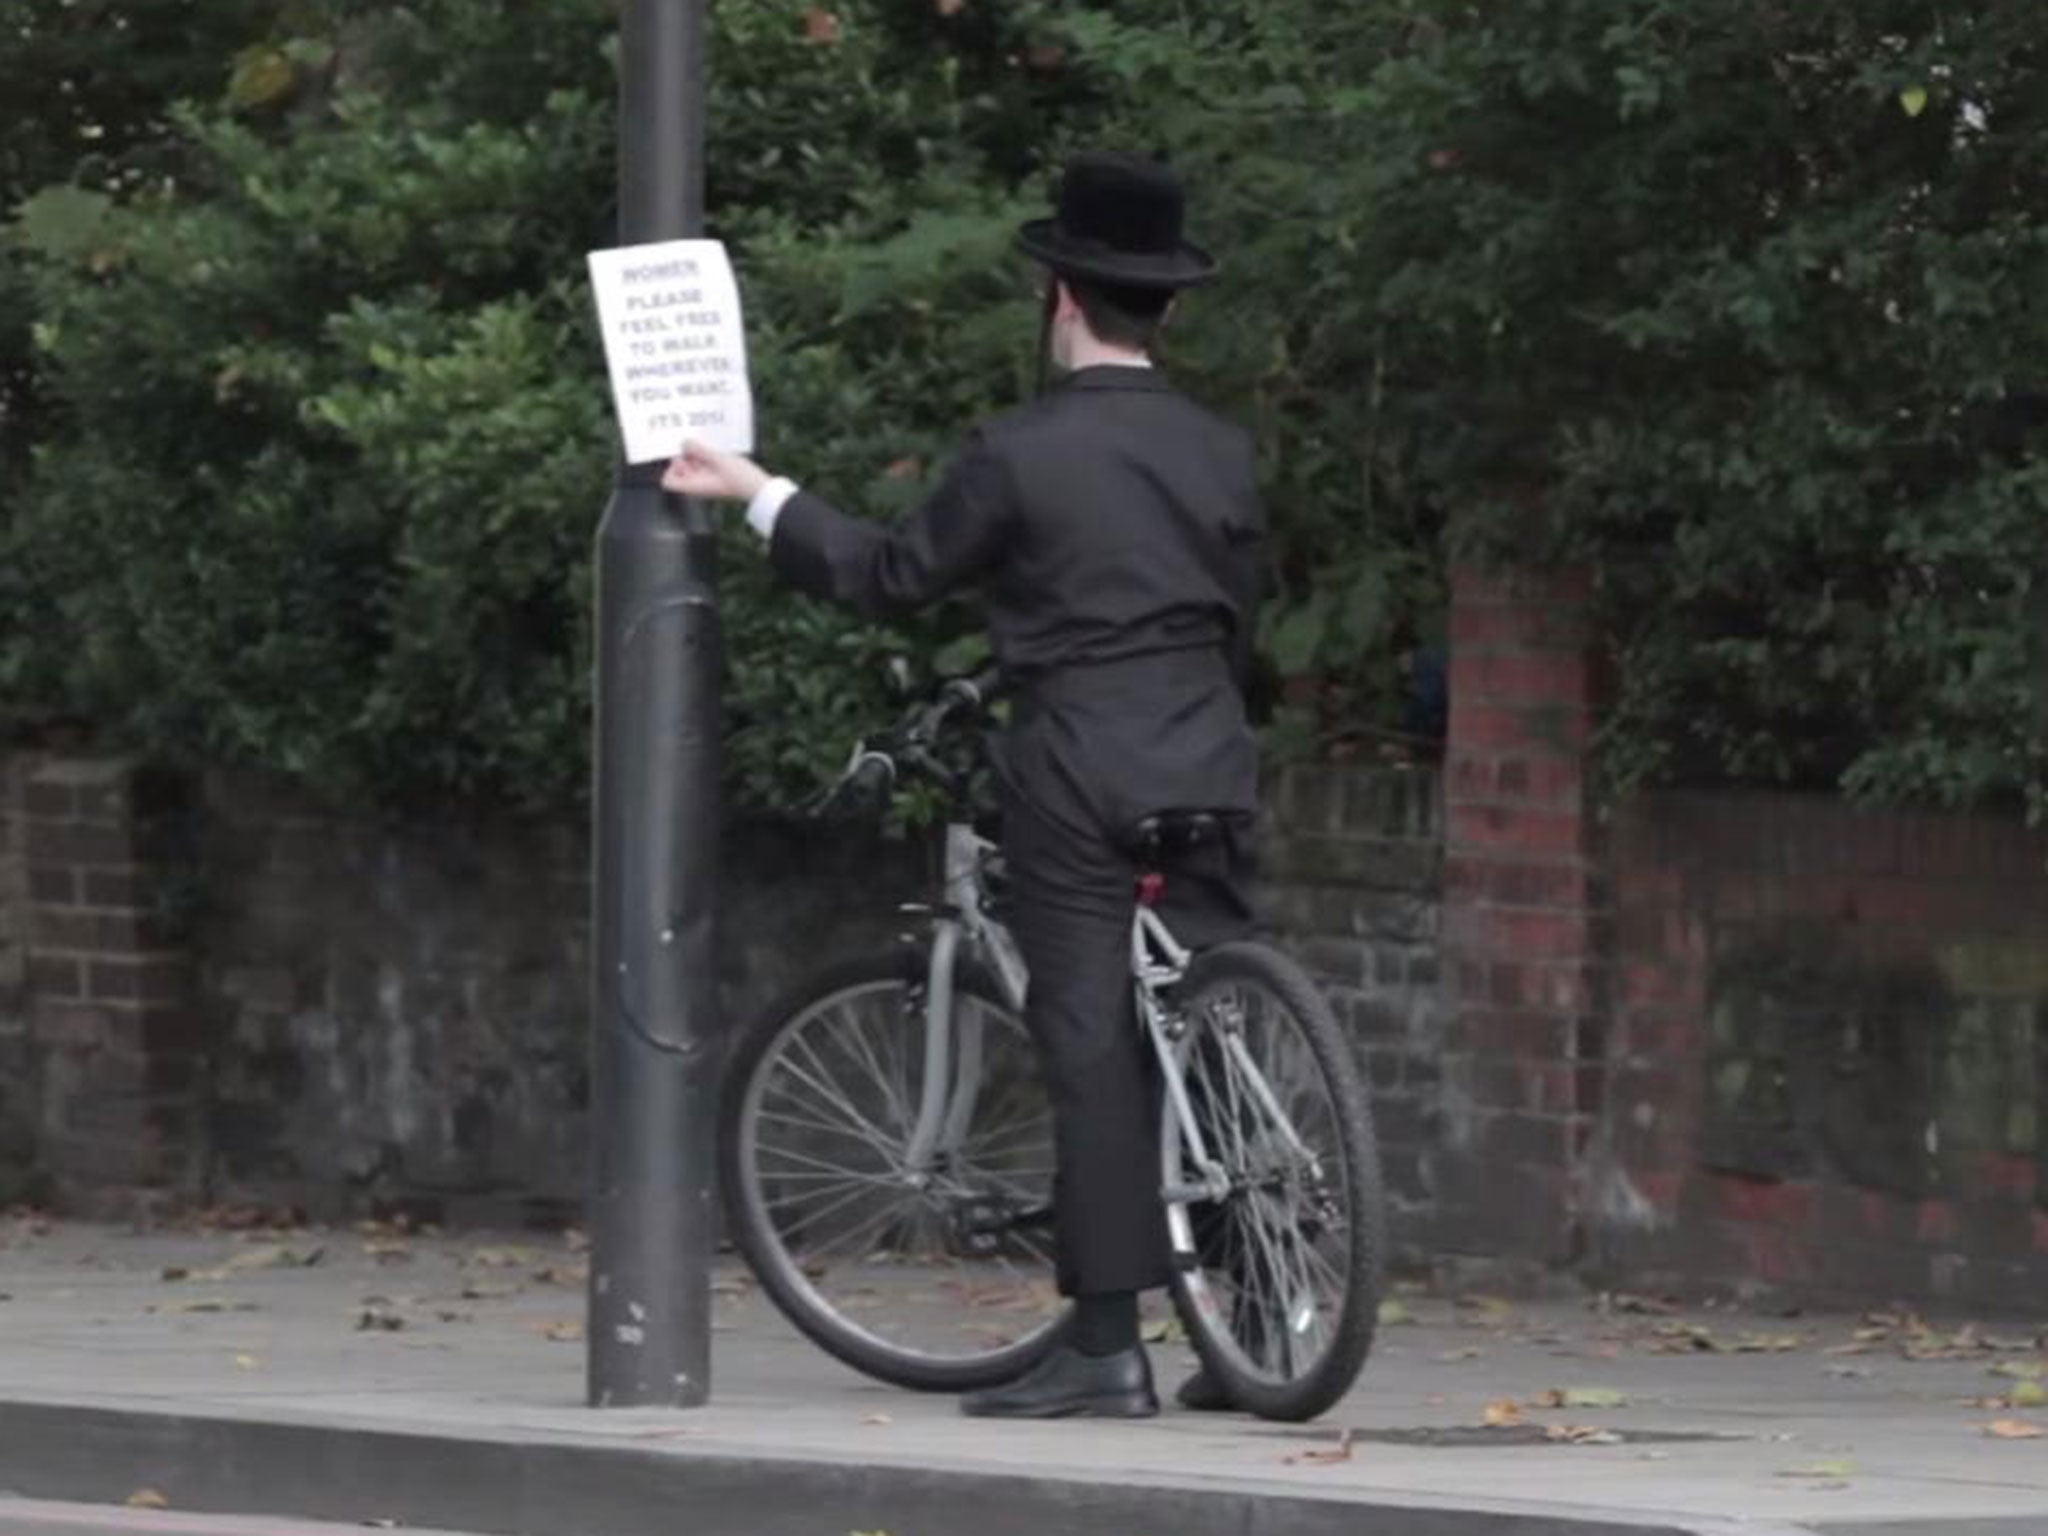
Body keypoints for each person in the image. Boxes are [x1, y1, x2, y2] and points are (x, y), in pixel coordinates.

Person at [663, 151, 1263, 1419]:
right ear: (1167, 307)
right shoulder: (1221, 450)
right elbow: (1217, 611)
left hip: (1077, 766)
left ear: (1058, 296)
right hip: (1205, 747)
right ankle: (1250, 1322)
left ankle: (1105, 1345)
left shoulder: (1021, 451)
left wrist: (758, 491)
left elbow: (891, 573)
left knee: (1090, 1033)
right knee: (1210, 1007)